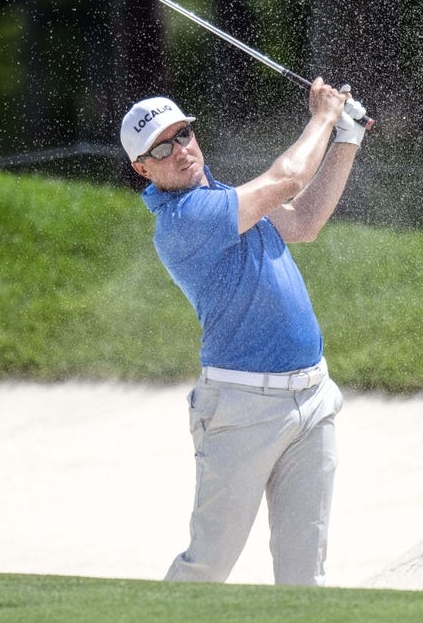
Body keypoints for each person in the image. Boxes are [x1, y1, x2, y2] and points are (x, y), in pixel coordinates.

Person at [119, 78, 368, 586]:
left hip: (313, 398)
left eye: (183, 134)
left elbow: (303, 222)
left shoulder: (225, 198)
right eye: (161, 149)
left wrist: (348, 137)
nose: (180, 151)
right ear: (142, 168)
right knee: (208, 565)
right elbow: (286, 181)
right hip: (241, 411)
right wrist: (323, 116)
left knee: (305, 575)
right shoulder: (185, 218)